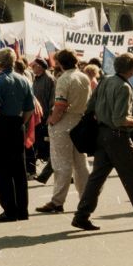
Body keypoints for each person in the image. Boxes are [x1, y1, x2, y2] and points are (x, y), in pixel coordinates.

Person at [70, 53, 133, 231]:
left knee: (97, 178)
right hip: (117, 137)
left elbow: (90, 105)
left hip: (102, 135)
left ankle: (81, 215)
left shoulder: (105, 80)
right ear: (131, 69)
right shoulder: (124, 87)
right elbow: (119, 119)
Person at [35, 49, 90, 214]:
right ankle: (86, 198)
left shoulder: (64, 79)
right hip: (79, 122)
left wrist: (52, 121)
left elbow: (60, 105)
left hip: (64, 124)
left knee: (62, 164)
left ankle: (57, 201)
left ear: (59, 63)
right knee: (81, 164)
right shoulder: (84, 77)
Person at [0, 48, 34, 222]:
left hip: (1, 124)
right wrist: (21, 122)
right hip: (17, 124)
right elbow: (29, 109)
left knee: (1, 170)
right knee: (19, 169)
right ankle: (23, 210)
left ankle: (9, 210)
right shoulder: (24, 80)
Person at [30, 58, 55, 183]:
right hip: (37, 117)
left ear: (40, 66)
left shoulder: (49, 79)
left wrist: (49, 115)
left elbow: (52, 99)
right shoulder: (36, 80)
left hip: (45, 118)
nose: (32, 67)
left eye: (34, 65)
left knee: (52, 148)